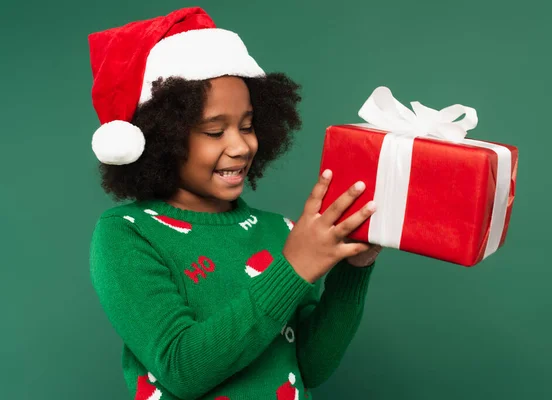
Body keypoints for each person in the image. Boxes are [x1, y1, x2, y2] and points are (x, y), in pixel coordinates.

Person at [88, 7, 382, 400]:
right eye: (214, 130)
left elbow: (312, 366)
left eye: (247, 126)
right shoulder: (126, 234)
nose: (242, 146)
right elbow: (182, 369)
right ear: (162, 139)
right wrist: (294, 267)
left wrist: (353, 269)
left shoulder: (282, 231)